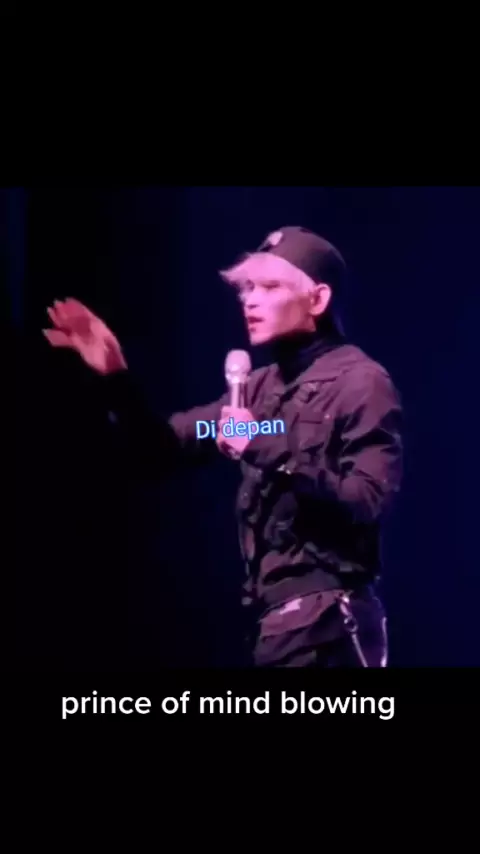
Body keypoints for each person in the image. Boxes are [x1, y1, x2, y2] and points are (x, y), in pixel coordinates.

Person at [43, 225, 403, 667]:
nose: (249, 300)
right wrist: (115, 376)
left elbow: (367, 498)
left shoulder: (361, 382)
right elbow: (162, 448)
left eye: (269, 287)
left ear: (317, 299)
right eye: (246, 289)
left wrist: (263, 445)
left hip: (330, 624)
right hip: (275, 625)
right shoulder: (254, 392)